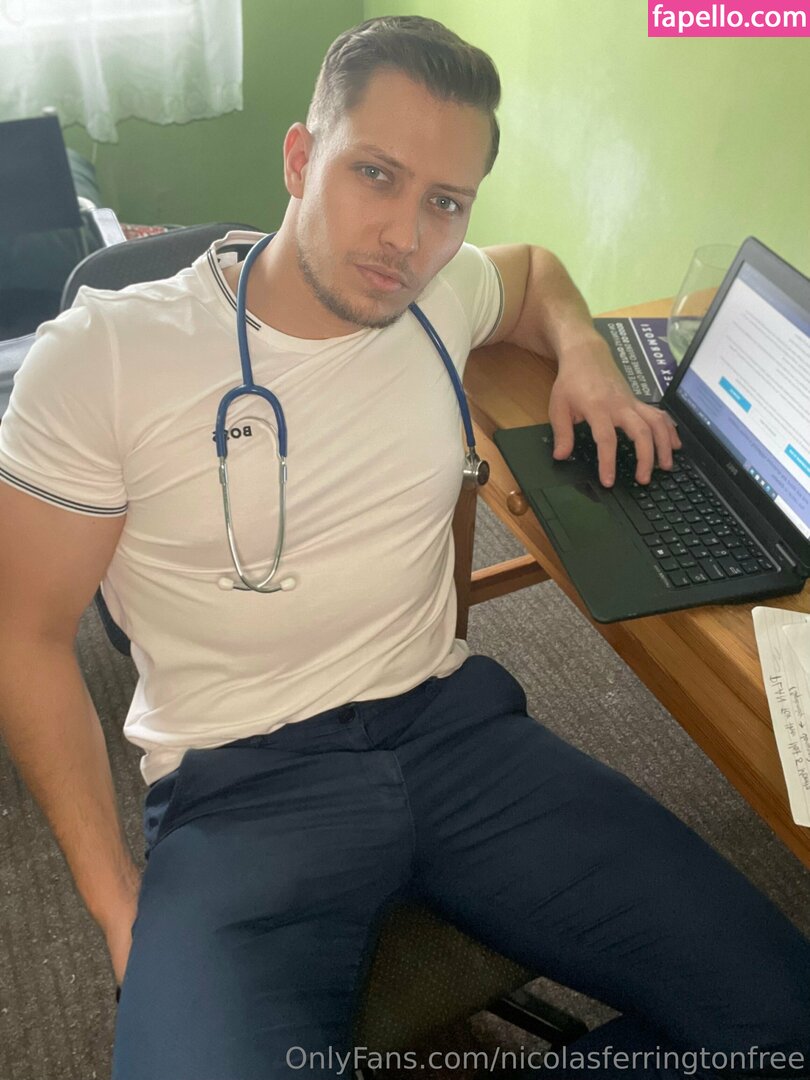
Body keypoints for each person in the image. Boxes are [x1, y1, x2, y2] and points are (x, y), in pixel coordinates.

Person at [0, 14, 807, 1080]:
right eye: (374, 174)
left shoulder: (440, 293)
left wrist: (589, 362)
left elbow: (533, 273)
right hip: (241, 790)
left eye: (445, 202)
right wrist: (117, 907)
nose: (405, 237)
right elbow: (26, 635)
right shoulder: (105, 355)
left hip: (454, 736)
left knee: (784, 1021)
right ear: (300, 158)